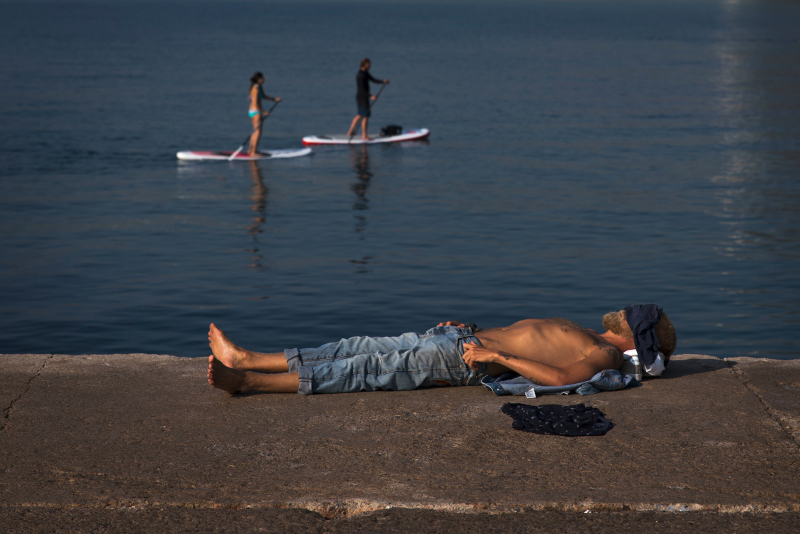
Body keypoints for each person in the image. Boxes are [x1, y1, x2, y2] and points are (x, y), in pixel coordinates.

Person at [207, 305, 677, 395]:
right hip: (457, 339)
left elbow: (560, 379)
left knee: (365, 368)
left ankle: (249, 382)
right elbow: (527, 334)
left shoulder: (608, 357)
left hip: (462, 359)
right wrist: (471, 330)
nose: (621, 309)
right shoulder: (590, 334)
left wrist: (498, 360)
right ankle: (248, 358)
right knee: (354, 346)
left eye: (630, 315)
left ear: (635, 336)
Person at [346, 58, 389, 140]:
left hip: (361, 97)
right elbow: (361, 90)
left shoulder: (365, 73)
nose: (370, 66)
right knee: (365, 116)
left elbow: (373, 80)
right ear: (364, 65)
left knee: (359, 115)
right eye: (368, 65)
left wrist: (383, 81)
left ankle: (350, 132)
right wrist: (371, 96)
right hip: (362, 97)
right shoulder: (361, 75)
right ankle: (364, 136)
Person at [247, 72, 281, 156]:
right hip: (256, 112)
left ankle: (250, 150)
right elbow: (255, 102)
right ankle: (253, 152)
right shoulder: (256, 88)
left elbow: (264, 96)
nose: (264, 80)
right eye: (263, 78)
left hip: (252, 111)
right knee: (257, 132)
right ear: (259, 79)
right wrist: (264, 112)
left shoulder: (258, 86)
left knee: (255, 130)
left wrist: (274, 99)